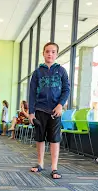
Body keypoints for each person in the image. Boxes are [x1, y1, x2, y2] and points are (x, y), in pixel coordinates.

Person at [28, 42, 70, 179]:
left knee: (54, 139)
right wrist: (31, 112)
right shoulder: (37, 72)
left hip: (55, 111)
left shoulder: (62, 71)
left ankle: (54, 167)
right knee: (39, 138)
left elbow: (66, 90)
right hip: (40, 109)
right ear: (43, 53)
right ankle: (40, 163)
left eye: (53, 52)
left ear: (56, 54)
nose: (50, 54)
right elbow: (32, 93)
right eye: (47, 51)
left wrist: (60, 105)